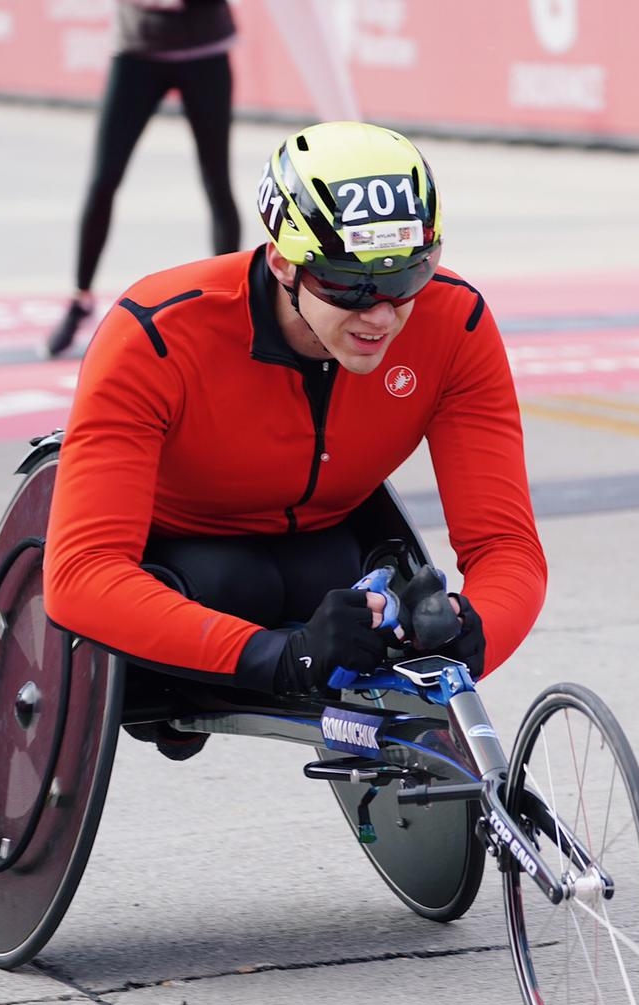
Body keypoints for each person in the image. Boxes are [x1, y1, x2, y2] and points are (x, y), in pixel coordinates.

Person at [43, 120, 548, 757]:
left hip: (329, 554)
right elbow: (80, 575)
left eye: (404, 279)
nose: (380, 315)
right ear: (283, 260)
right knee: (234, 580)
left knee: (379, 592)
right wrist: (279, 658)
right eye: (347, 283)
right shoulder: (156, 333)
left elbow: (508, 546)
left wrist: (475, 635)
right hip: (184, 564)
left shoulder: (457, 325)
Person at [43, 0, 242, 359]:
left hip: (204, 49)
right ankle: (80, 297)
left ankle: (233, 308)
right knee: (104, 179)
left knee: (217, 182)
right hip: (136, 49)